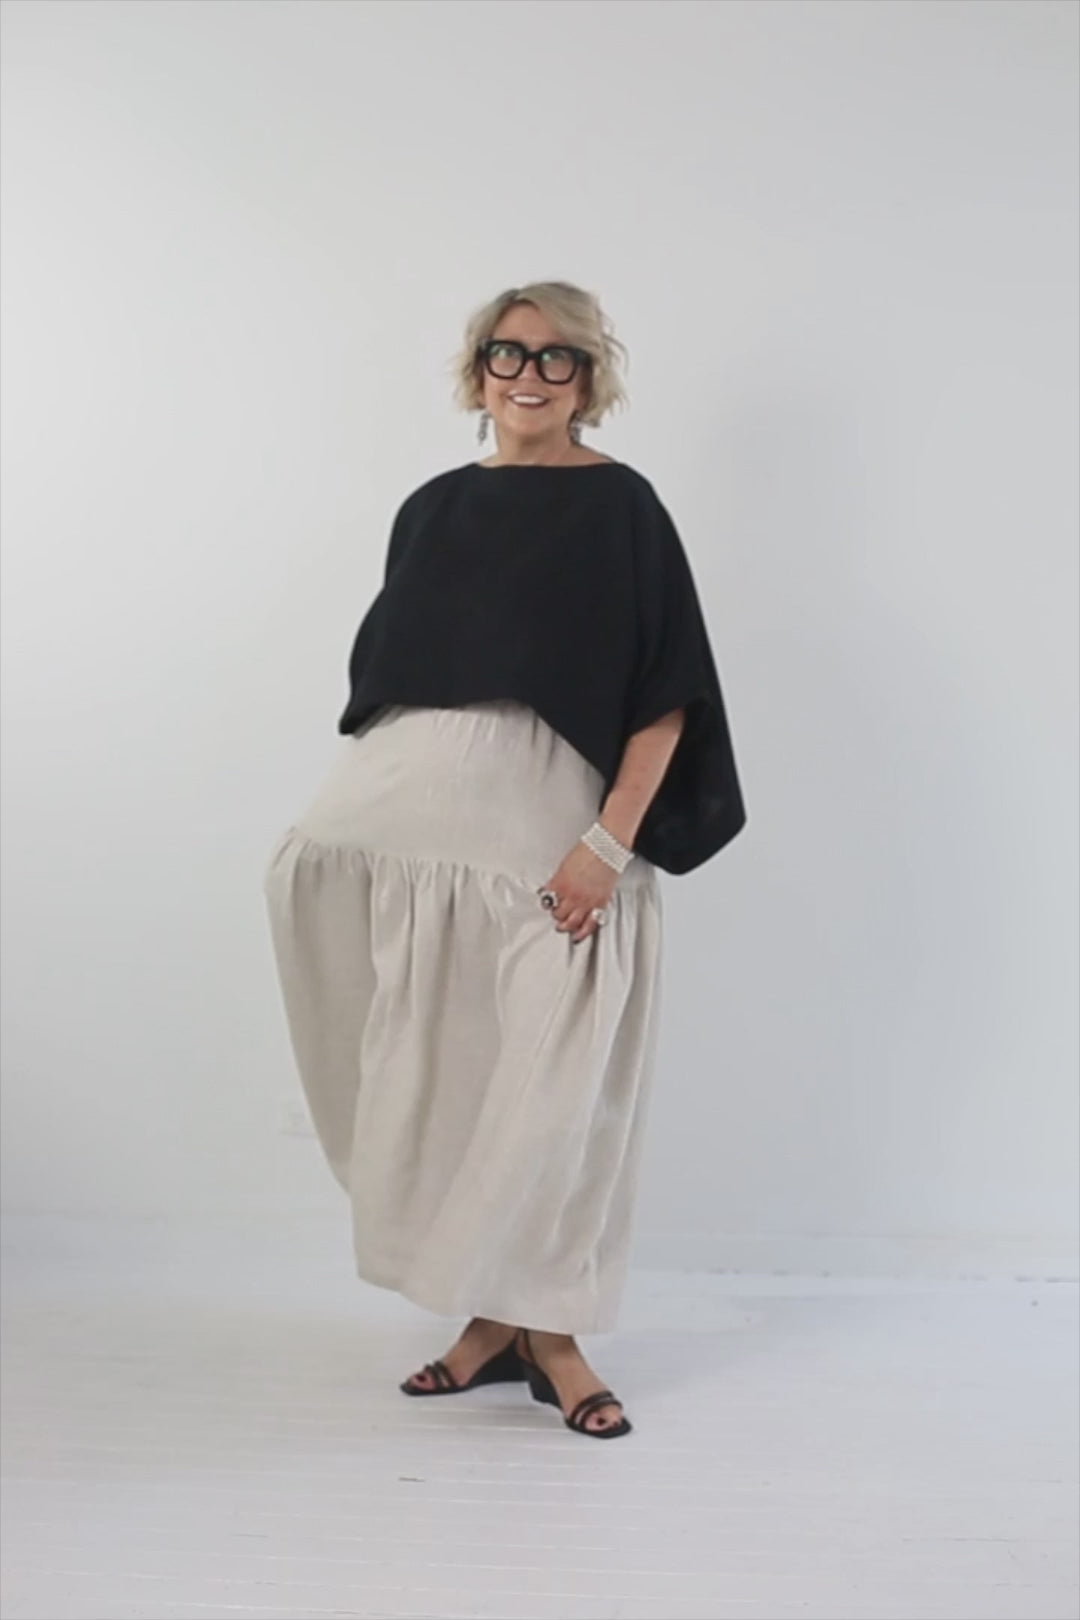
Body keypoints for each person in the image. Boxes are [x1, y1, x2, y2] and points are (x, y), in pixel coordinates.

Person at [263, 280, 746, 1439]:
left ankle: (554, 1335)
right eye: (507, 352)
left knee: (555, 1097)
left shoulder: (623, 507)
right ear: (478, 369)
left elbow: (666, 693)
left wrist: (606, 842)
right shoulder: (433, 508)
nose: (529, 374)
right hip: (419, 840)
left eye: (557, 356)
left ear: (590, 377)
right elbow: (401, 686)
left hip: (553, 844)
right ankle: (494, 1320)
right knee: (459, 1081)